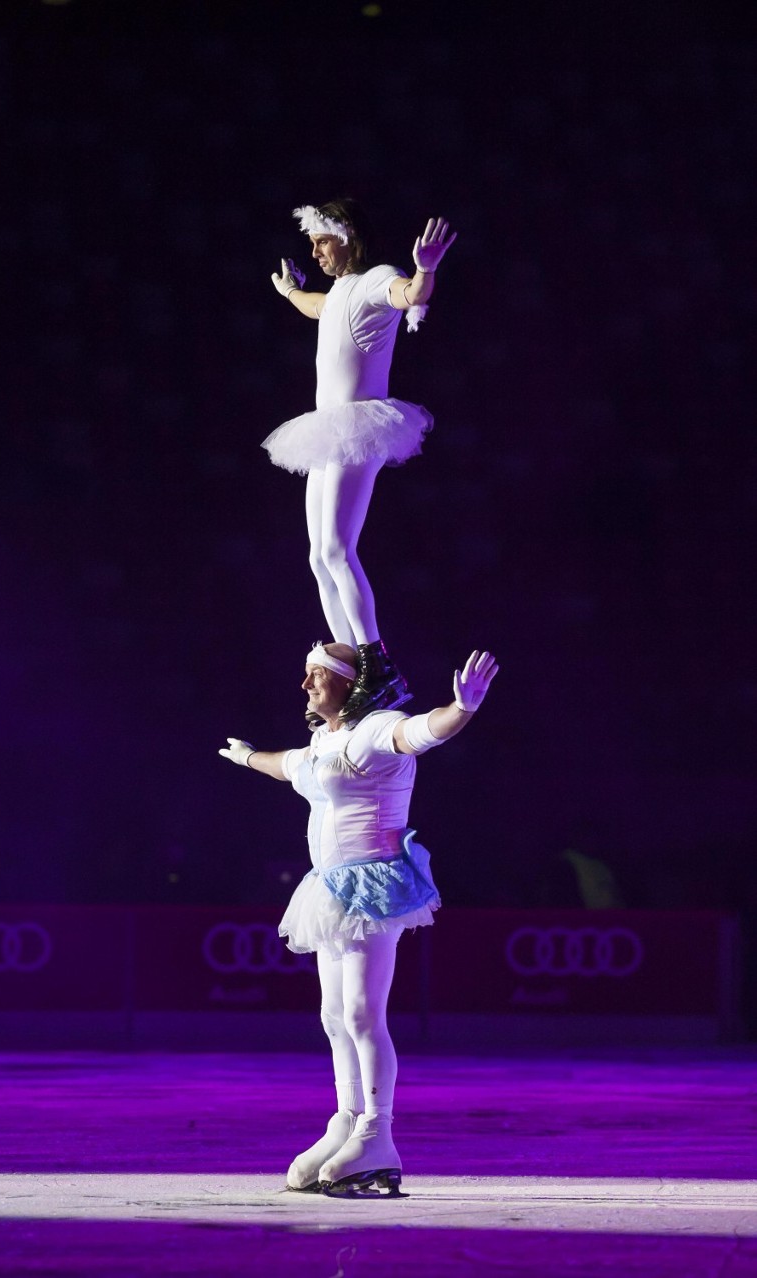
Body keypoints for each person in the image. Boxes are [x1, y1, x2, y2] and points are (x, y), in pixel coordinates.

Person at [218, 640, 498, 1196]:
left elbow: (420, 732)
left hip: (375, 885)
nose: (305, 686)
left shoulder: (374, 729)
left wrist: (461, 709)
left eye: (316, 675)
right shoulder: (324, 742)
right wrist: (247, 756)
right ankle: (346, 1120)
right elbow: (286, 766)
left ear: (349, 682)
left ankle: (377, 1132)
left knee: (363, 1012)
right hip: (328, 889)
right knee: (332, 1015)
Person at [263, 200, 457, 722]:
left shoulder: (376, 279)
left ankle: (378, 665)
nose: (315, 250)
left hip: (357, 426)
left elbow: (409, 294)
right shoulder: (340, 292)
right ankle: (348, 664)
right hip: (326, 429)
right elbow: (317, 306)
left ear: (346, 235)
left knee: (336, 547)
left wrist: (426, 268)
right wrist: (287, 291)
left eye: (322, 240)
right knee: (315, 556)